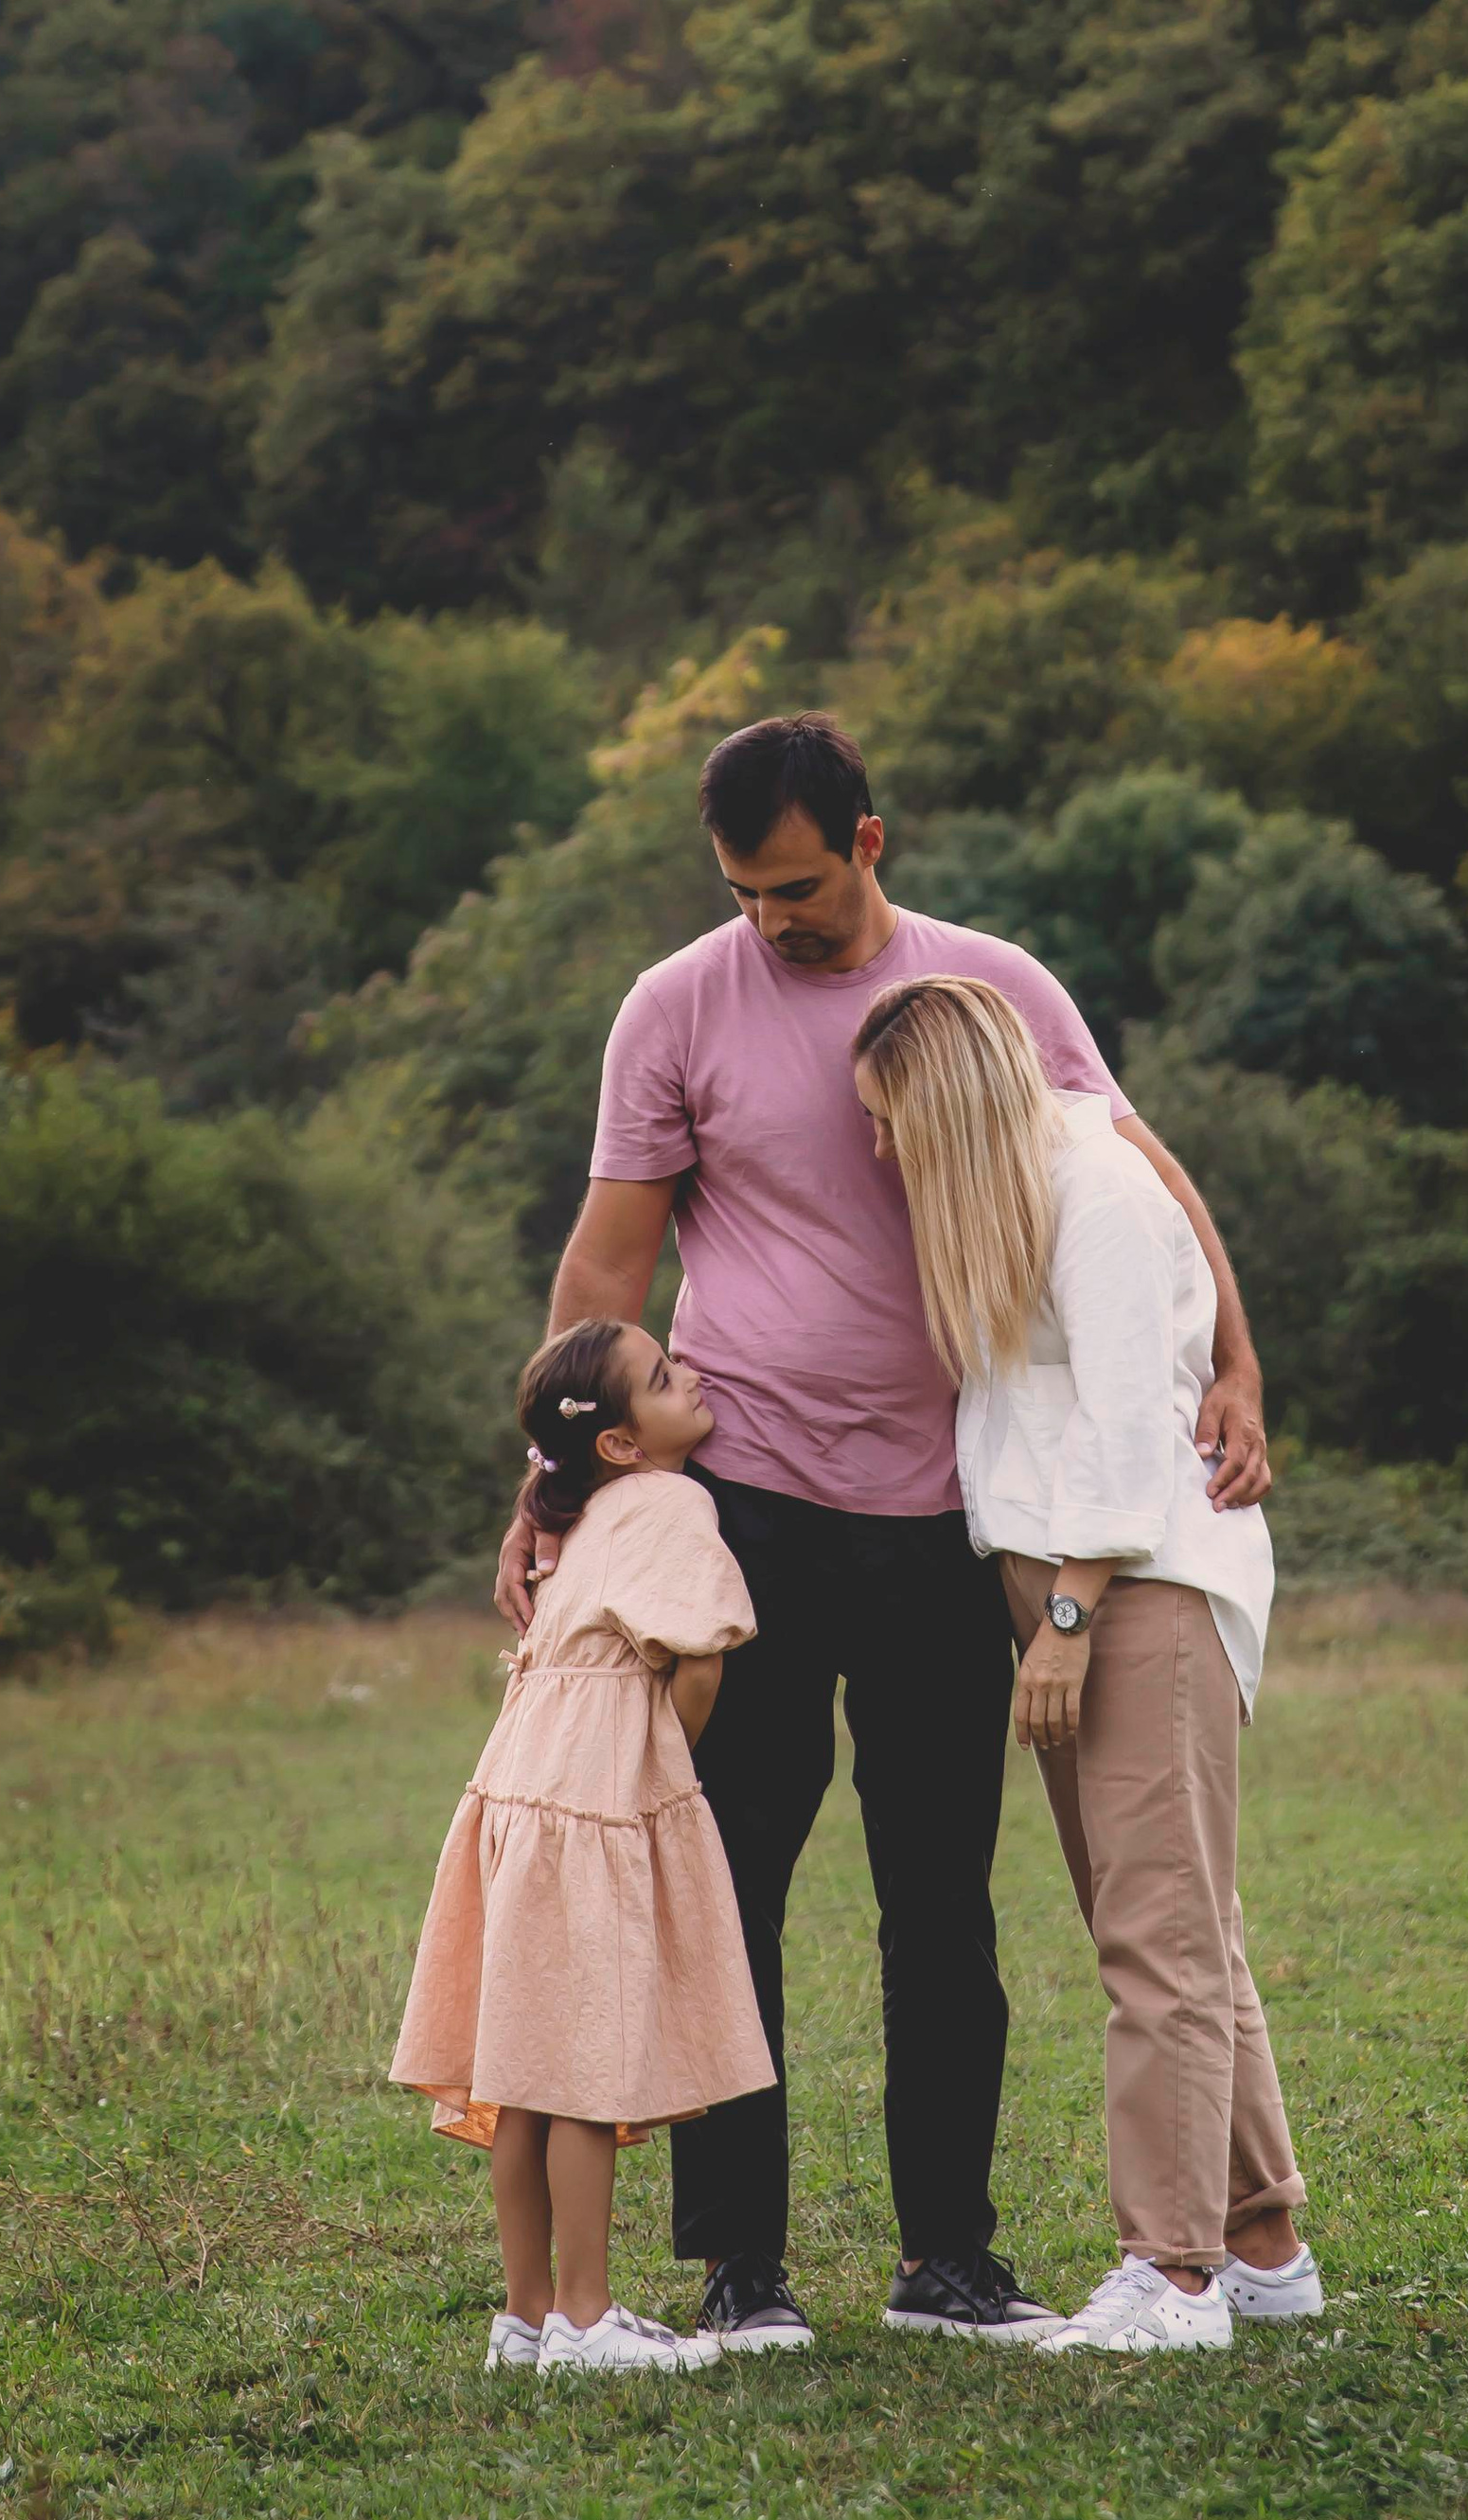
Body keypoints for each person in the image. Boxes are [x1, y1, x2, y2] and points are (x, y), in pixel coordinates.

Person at [495, 712, 1271, 2354]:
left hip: (950, 1515)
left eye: (798, 887)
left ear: (870, 842)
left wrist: (1244, 1359)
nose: (774, 921)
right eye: (743, 891)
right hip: (746, 1509)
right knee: (731, 1884)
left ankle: (952, 2260)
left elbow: (1139, 1177)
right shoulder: (675, 1009)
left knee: (944, 1894)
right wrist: (559, 1493)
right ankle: (740, 2269)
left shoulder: (990, 991)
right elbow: (605, 1268)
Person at [851, 972, 1322, 2357]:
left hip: (1137, 1590)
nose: (884, 1150)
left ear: (946, 1099)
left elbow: (1129, 1423)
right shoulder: (1020, 1201)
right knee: (1170, 1920)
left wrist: (1066, 1621)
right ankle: (1261, 2241)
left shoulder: (1101, 1194)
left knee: (1156, 1934)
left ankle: (1170, 2275)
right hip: (1079, 1583)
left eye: (891, 1122)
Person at [393, 1319, 771, 2374]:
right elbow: (697, 1664)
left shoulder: (590, 1511)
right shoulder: (672, 1500)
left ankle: (526, 2318)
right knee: (583, 2065)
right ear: (618, 1439)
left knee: (519, 2065)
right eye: (663, 1375)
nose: (689, 1374)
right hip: (593, 1794)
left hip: (517, 1783)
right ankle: (589, 2317)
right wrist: (659, 1769)